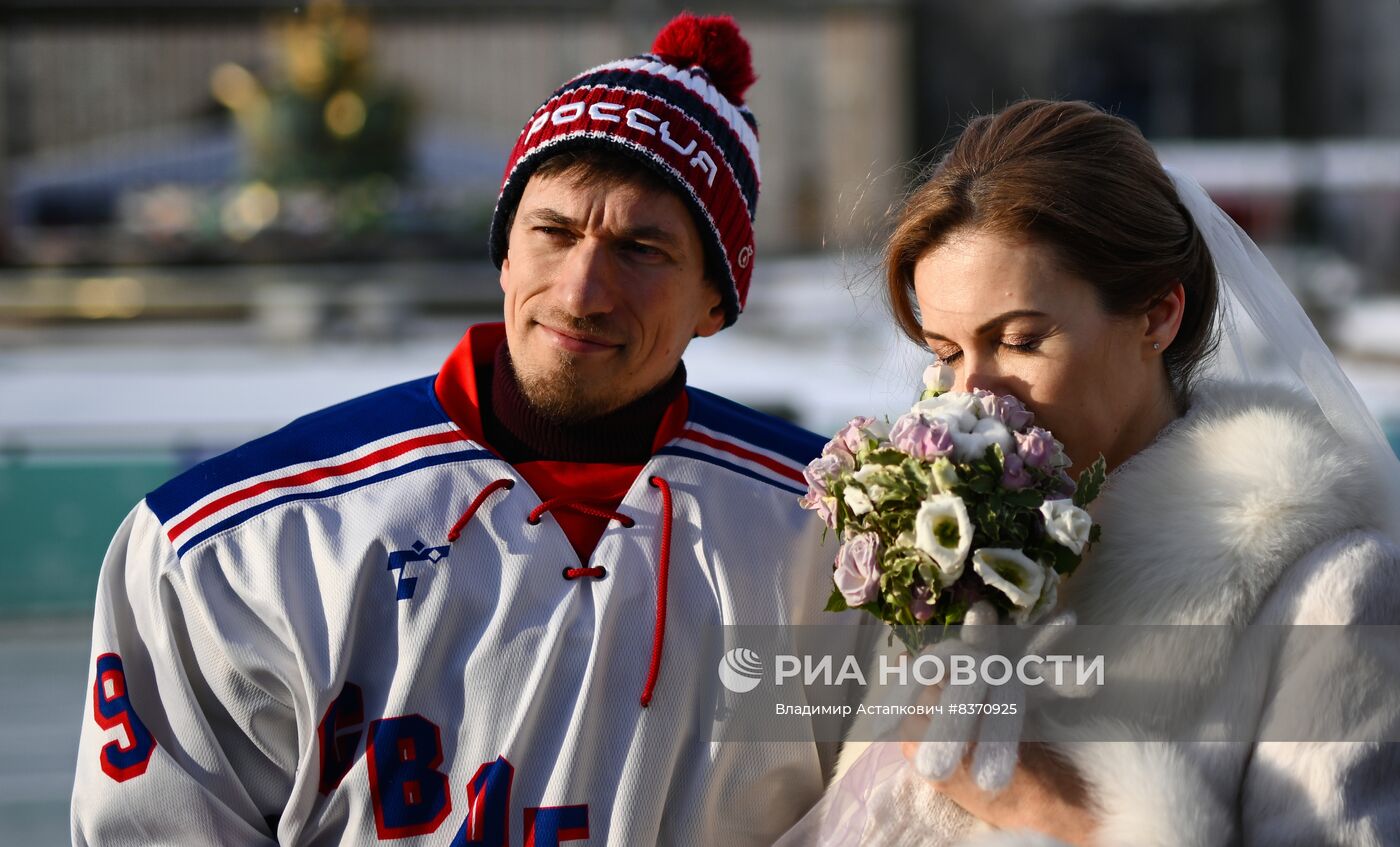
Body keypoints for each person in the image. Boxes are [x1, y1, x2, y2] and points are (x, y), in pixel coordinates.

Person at [71, 14, 868, 846]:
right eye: (553, 233)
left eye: (642, 249)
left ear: (715, 299)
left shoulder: (830, 539)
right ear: (505, 253)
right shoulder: (240, 545)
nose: (581, 290)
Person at [784, 99, 1400, 846]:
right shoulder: (947, 557)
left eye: (1018, 339)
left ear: (1157, 315)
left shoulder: (1330, 593)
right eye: (945, 352)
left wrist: (1076, 810)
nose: (969, 395)